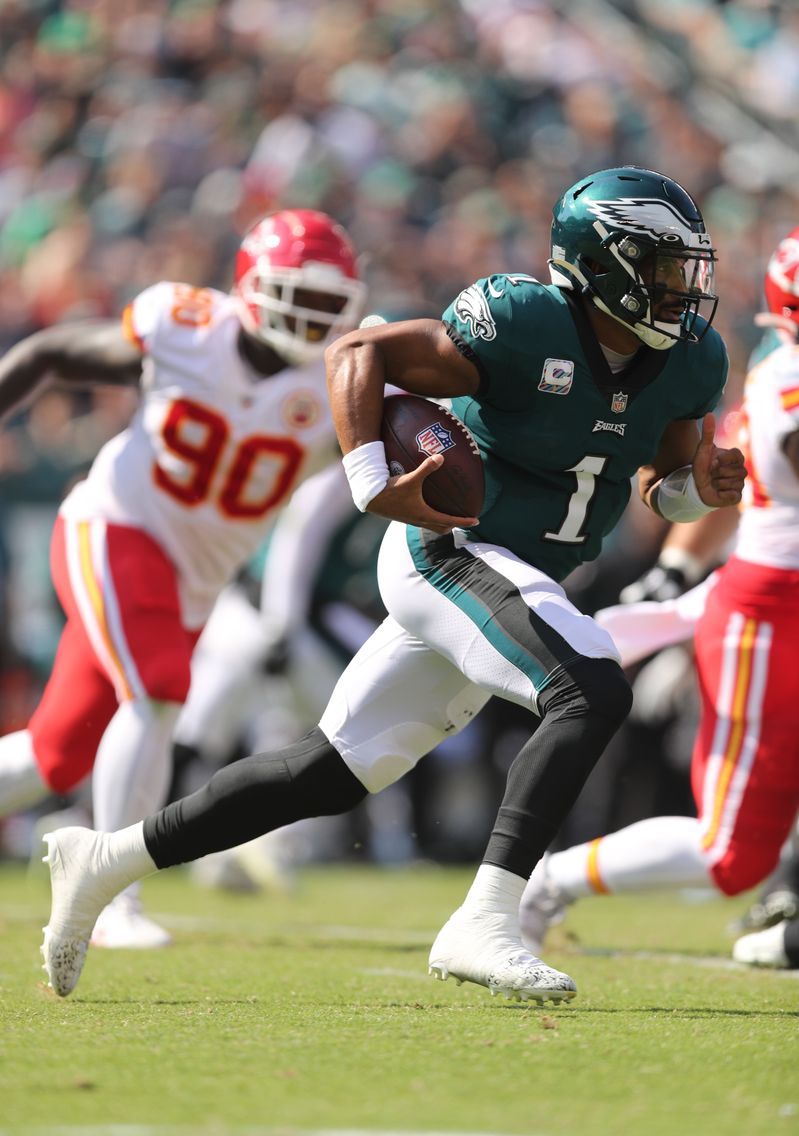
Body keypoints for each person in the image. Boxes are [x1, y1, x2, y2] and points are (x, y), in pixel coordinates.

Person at [40, 165, 745, 1003]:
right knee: (585, 688)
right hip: (448, 549)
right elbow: (359, 349)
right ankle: (485, 921)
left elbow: (660, 483)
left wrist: (700, 486)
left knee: (331, 772)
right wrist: (371, 475)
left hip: (527, 569)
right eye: (660, 267)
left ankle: (103, 859)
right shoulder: (521, 322)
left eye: (685, 268)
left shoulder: (690, 362)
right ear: (599, 263)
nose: (681, 289)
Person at [0, 208, 366, 946]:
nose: (314, 314)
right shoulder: (187, 328)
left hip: (193, 579)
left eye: (330, 301)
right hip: (114, 529)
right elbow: (52, 353)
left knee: (55, 752)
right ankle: (108, 898)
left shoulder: (340, 380)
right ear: (253, 286)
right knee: (160, 691)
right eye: (301, 294)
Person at [519, 224, 799, 963]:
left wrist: (675, 573)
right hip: (772, 620)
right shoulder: (788, 380)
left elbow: (732, 496)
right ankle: (546, 883)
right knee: (729, 855)